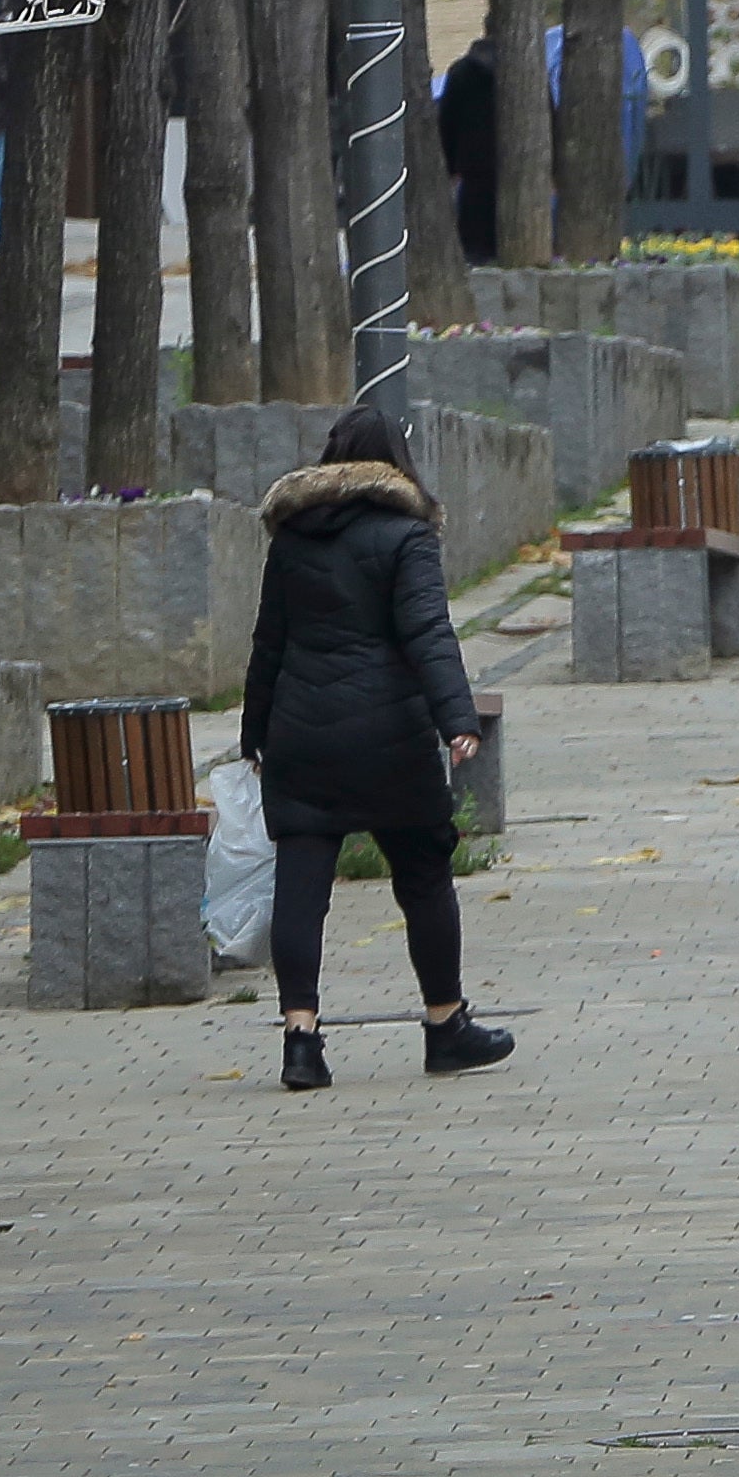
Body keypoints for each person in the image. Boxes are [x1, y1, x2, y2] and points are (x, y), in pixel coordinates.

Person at [243, 407, 511, 1091]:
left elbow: (268, 643)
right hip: (387, 736)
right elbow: (428, 631)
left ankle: (301, 1040)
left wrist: (254, 733)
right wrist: (458, 718)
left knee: (299, 889)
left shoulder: (291, 536)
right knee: (423, 876)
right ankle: (445, 1024)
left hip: (301, 734)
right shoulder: (407, 535)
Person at [437, 38, 499, 263]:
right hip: (509, 159)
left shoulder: (460, 72)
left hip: (472, 160)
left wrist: (450, 165)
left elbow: (447, 120)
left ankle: (476, 255)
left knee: (474, 219)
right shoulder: (522, 70)